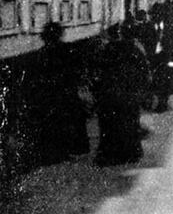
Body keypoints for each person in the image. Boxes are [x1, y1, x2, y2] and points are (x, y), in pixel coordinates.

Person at [22, 21, 90, 166]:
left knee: (51, 124)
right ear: (60, 35)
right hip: (66, 94)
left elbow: (35, 79)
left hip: (49, 96)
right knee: (68, 122)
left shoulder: (40, 54)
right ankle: (68, 151)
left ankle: (53, 153)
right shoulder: (68, 50)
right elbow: (77, 71)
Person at [92, 20, 151, 166]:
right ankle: (130, 153)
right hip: (129, 94)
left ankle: (108, 155)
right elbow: (144, 73)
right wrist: (143, 92)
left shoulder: (107, 49)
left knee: (109, 125)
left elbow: (98, 71)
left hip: (109, 93)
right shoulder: (136, 50)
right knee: (129, 122)